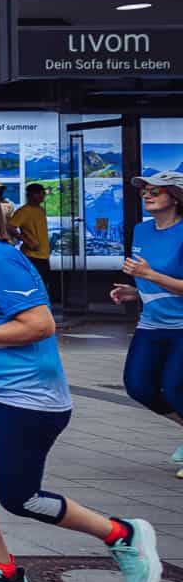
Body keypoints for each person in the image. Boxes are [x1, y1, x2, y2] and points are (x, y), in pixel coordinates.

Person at [0, 178, 160, 582]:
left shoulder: (2, 261)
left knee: (22, 498)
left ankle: (122, 534)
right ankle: (5, 574)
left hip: (29, 402)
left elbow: (40, 326)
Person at [113, 171, 183, 474]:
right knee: (139, 386)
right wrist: (134, 291)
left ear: (176, 197)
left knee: (175, 387)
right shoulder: (141, 231)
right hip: (152, 324)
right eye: (145, 190)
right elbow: (150, 281)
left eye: (156, 190)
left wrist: (148, 276)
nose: (148, 194)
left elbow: (154, 275)